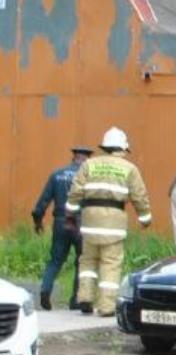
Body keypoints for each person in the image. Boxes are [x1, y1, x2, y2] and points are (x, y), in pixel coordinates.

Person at [65, 127, 152, 316]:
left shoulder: (89, 164)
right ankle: (106, 307)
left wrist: (70, 214)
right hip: (114, 222)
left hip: (89, 220)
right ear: (122, 148)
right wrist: (145, 218)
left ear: (104, 146)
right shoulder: (129, 168)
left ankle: (85, 298)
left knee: (87, 260)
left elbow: (75, 191)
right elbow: (139, 196)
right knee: (110, 263)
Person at [30, 145, 92, 310]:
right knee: (82, 260)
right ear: (86, 159)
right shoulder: (89, 177)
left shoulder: (57, 174)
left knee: (56, 260)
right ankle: (76, 299)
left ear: (74, 157)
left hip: (61, 221)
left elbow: (42, 202)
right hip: (80, 221)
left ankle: (45, 290)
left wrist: (38, 221)